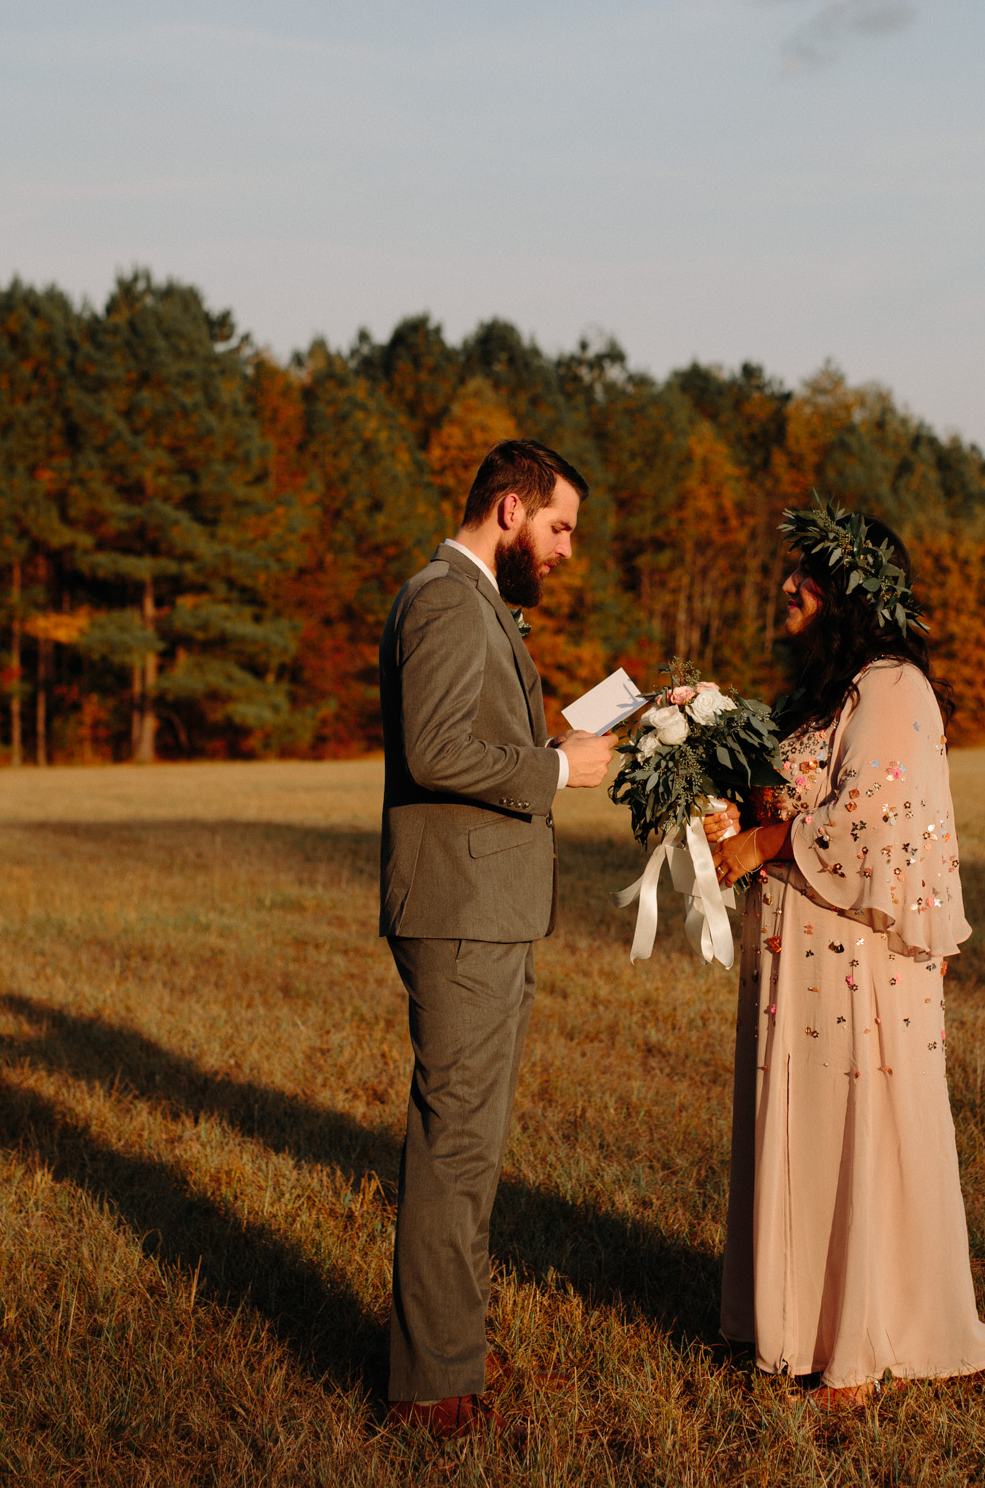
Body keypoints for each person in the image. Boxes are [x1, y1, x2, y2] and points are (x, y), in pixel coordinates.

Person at [705, 502, 985, 1410]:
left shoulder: (892, 687)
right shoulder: (816, 693)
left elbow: (873, 817)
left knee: (851, 1127)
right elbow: (781, 793)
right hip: (793, 950)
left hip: (856, 960)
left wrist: (764, 846)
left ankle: (860, 1333)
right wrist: (716, 798)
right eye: (791, 568)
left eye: (809, 571)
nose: (788, 583)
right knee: (796, 1120)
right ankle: (793, 1319)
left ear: (852, 588)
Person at [377, 438, 615, 1439]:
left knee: (472, 1146)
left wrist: (564, 742)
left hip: (487, 909)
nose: (565, 550)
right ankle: (431, 1384)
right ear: (510, 508)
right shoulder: (444, 596)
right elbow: (435, 749)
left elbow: (472, 740)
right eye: (559, 526)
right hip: (463, 914)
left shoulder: (469, 601)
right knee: (455, 1145)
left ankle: (454, 1351)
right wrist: (558, 772)